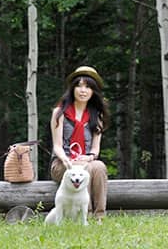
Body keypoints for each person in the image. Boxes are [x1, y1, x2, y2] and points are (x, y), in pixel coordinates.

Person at [49, 65, 110, 220]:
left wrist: (88, 157)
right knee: (85, 169)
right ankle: (86, 215)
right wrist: (66, 159)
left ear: (93, 91)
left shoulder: (97, 115)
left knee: (99, 166)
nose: (83, 91)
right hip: (63, 162)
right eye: (79, 86)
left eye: (88, 87)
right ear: (72, 88)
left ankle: (99, 216)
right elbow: (57, 145)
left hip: (85, 160)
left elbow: (95, 149)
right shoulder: (59, 112)